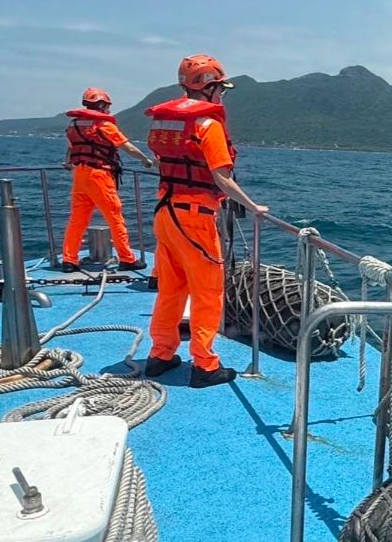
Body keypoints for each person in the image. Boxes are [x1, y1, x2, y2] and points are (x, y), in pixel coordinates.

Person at [144, 54, 268, 388]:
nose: (223, 94)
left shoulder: (165, 122)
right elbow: (222, 178)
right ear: (209, 87)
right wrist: (254, 207)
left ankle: (160, 355)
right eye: (221, 88)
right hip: (195, 219)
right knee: (207, 292)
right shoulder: (208, 126)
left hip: (165, 213)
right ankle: (205, 365)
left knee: (170, 289)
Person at [61, 87, 154, 273]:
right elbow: (127, 147)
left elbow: (71, 150)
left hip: (79, 174)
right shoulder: (104, 125)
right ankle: (127, 258)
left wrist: (68, 163)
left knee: (77, 220)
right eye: (107, 106)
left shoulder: (74, 125)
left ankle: (69, 259)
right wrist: (145, 160)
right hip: (99, 176)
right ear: (101, 105)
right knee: (114, 217)